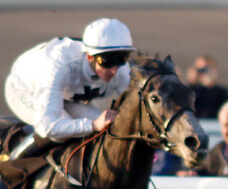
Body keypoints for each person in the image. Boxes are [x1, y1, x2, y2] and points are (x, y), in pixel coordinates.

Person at [4, 18, 135, 160]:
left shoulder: (122, 71)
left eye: (121, 59)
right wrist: (93, 125)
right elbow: (48, 126)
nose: (114, 69)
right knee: (62, 132)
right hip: (24, 90)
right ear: (90, 57)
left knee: (105, 129)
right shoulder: (58, 65)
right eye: (107, 61)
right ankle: (9, 168)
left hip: (66, 96)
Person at [186, 55, 228, 119]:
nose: (203, 72)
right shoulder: (190, 90)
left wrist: (210, 85)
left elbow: (226, 109)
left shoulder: (221, 92)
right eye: (200, 70)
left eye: (206, 69)